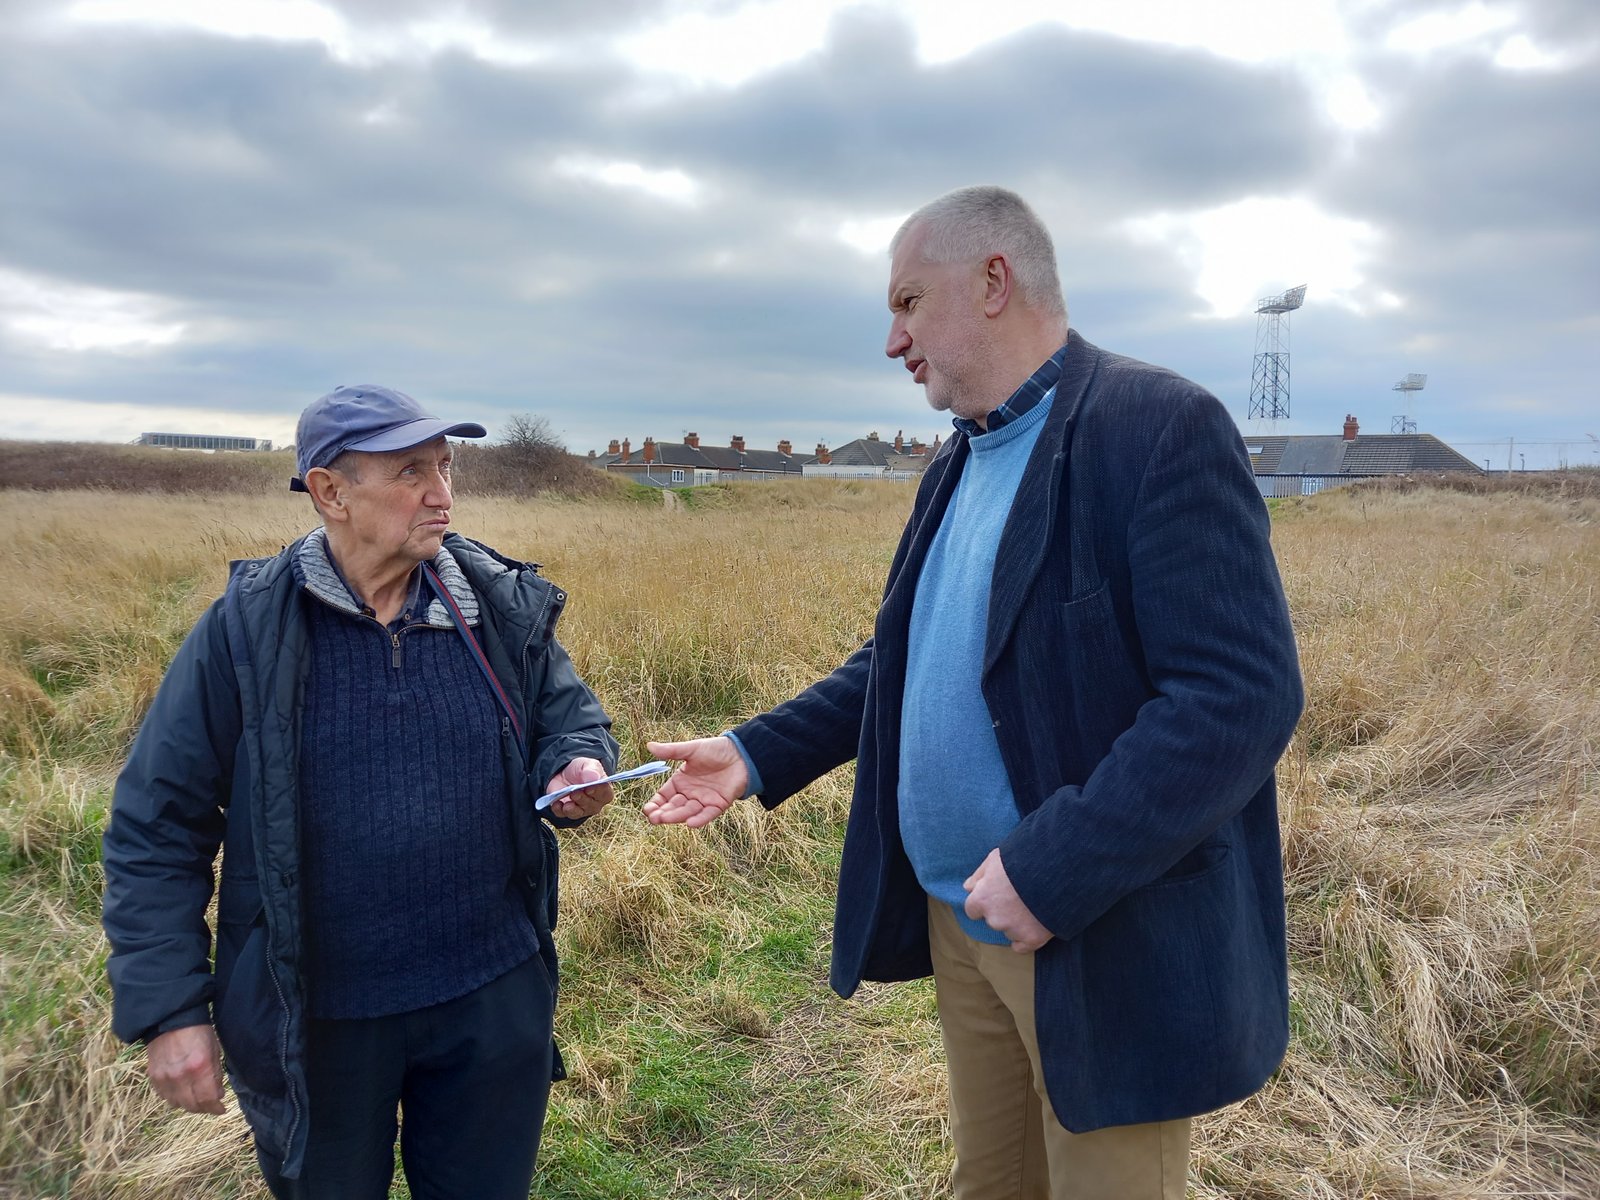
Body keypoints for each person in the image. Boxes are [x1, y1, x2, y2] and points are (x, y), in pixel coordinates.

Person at [645, 186, 1304, 1200]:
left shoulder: (1157, 426)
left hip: (1094, 930)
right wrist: (756, 752)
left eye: (909, 302)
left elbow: (1238, 696)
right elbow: (902, 659)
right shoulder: (959, 458)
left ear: (995, 280)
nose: (893, 340)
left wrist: (1053, 868)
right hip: (962, 924)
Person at [102, 384, 620, 1199]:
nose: (442, 494)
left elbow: (571, 719)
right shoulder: (245, 633)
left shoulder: (496, 605)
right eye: (411, 471)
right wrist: (169, 1010)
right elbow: (156, 825)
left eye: (445, 467)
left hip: (492, 999)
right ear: (330, 492)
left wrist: (576, 763)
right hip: (318, 1022)